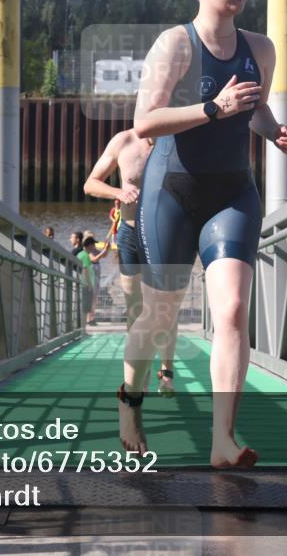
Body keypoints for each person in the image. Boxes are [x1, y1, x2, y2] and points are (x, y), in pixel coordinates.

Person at [118, 0, 287, 467]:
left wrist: (271, 130)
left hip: (232, 191)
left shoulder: (261, 48)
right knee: (159, 317)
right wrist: (212, 108)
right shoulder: (175, 44)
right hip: (171, 189)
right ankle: (130, 401)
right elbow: (144, 122)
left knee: (234, 310)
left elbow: (255, 110)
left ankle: (224, 439)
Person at [85, 129, 178, 396]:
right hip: (128, 232)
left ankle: (166, 373)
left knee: (163, 306)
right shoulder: (123, 141)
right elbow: (90, 183)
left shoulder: (177, 141)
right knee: (134, 308)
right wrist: (119, 191)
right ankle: (141, 375)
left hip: (163, 232)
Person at [77, 234, 110, 326]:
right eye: (93, 244)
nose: (95, 246)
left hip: (95, 275)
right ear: (89, 245)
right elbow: (94, 259)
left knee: (95, 297)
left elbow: (104, 255)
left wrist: (106, 249)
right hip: (91, 276)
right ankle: (88, 319)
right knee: (91, 297)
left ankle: (92, 317)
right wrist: (103, 251)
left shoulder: (93, 250)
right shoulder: (86, 253)